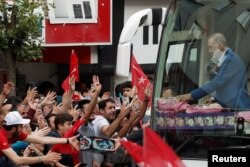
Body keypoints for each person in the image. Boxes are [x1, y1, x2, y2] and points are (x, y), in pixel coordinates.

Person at [177, 33, 250, 109]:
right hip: (232, 106)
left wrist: (191, 95)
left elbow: (217, 82)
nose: (209, 51)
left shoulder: (231, 60)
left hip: (240, 107)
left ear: (220, 46)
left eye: (210, 48)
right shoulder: (226, 59)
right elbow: (226, 85)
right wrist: (214, 98)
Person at [0, 111, 79, 166]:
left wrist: (67, 140)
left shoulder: (16, 133)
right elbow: (17, 160)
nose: (22, 128)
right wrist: (44, 158)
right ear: (13, 129)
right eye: (21, 126)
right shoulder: (1, 137)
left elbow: (42, 139)